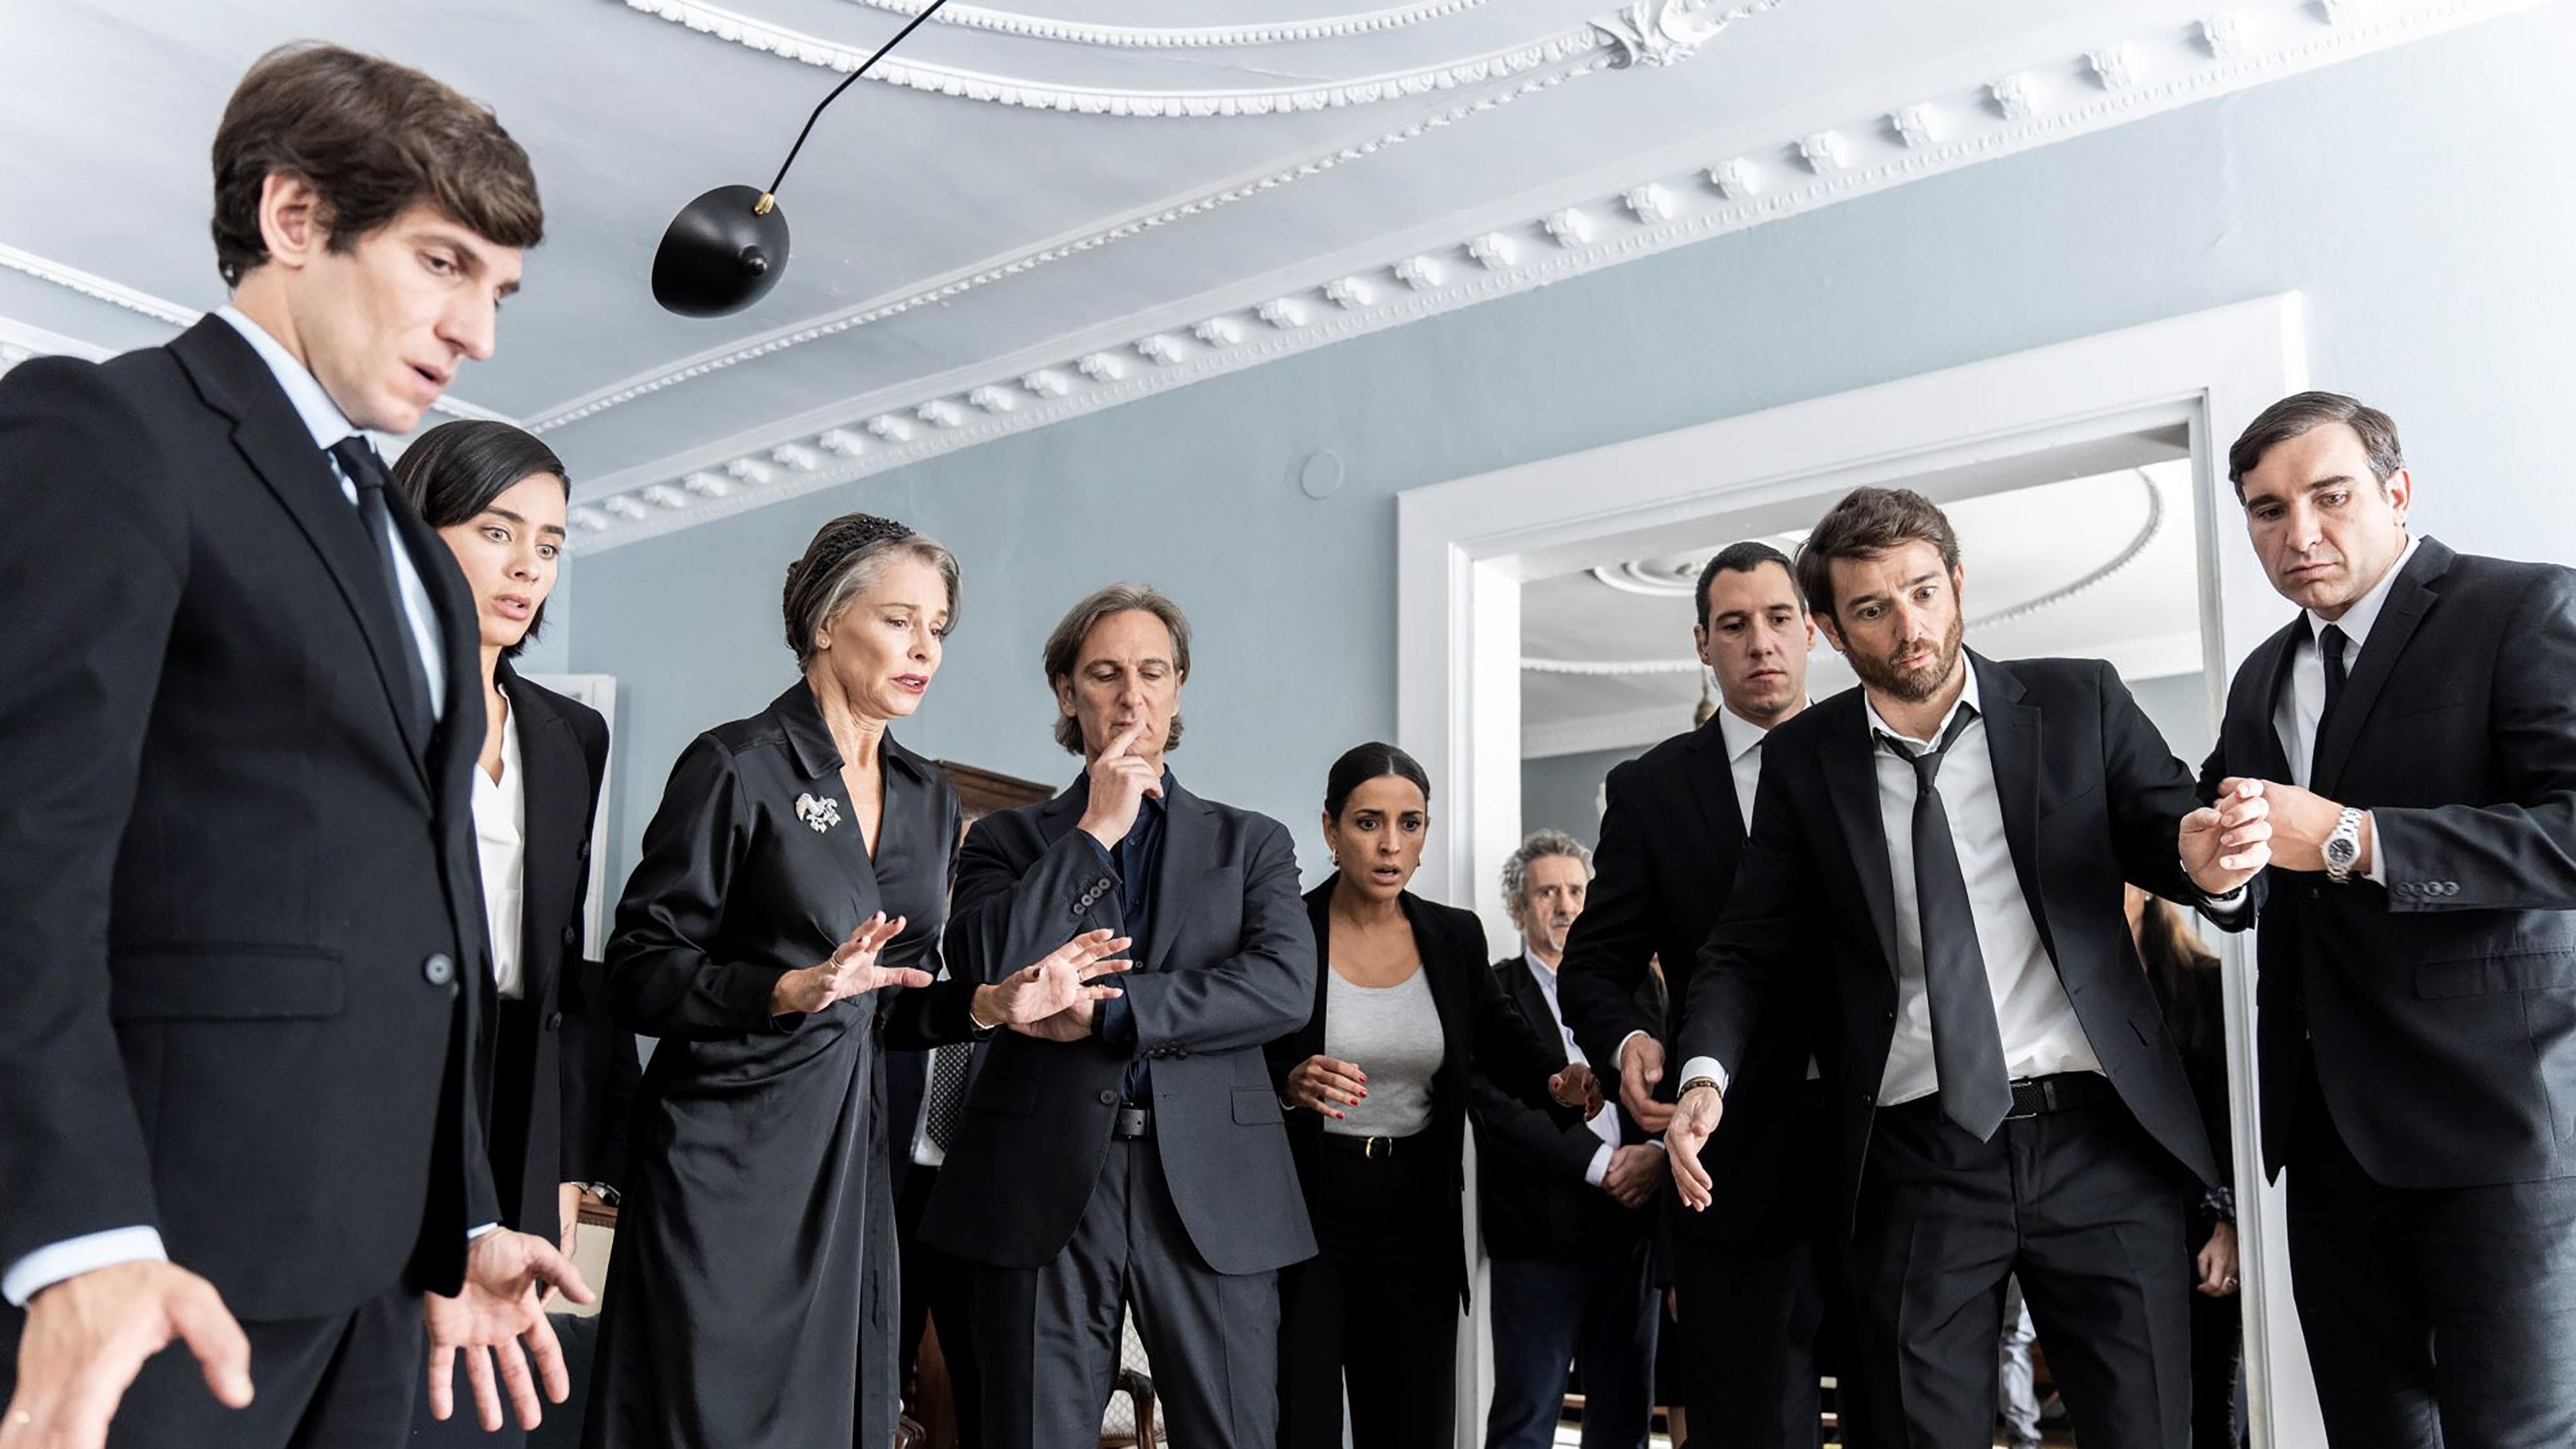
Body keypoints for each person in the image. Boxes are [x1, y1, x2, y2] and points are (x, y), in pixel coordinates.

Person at [0, 43, 593, 1449]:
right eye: (445, 265)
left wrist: (458, 1226)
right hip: (163, 1258)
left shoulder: (405, 540)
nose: (480, 335)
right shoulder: (110, 431)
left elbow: (428, 925)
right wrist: (76, 1232)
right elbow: (22, 855)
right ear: (293, 220)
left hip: (382, 1285)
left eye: (498, 292)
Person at [1666, 486, 2257, 1449]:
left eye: (1925, 592)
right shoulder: (1806, 762)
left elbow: (2174, 837)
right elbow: (1745, 948)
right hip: (1920, 1155)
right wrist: (1703, 1075)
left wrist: (2208, 863)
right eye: (1872, 609)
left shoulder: (2079, 700)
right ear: (1828, 628)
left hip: (2102, 1142)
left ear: (1957, 583)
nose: (1910, 628)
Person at [582, 515, 1132, 1449]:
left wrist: (994, 1005)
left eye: (940, 629)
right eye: (900, 621)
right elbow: (639, 968)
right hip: (726, 1153)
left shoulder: (928, 793)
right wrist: (787, 990)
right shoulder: (736, 765)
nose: (926, 650)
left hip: (851, 1156)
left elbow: (894, 997)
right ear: (827, 624)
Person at [2190, 391, 2576, 1448]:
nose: (2298, 534)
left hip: (2496, 1134)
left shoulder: (2521, 607)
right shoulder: (2259, 679)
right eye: (2267, 511)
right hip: (2324, 1144)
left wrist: (2362, 839)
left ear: (2396, 493)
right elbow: (2259, 878)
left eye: (2329, 496)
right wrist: (2217, 873)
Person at [920, 584, 1317, 1449]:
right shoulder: (1005, 843)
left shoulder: (1253, 843)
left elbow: (1283, 986)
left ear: (1178, 689)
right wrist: (1095, 833)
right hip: (1039, 1186)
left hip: (1214, 1187)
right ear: (1067, 694)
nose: (1130, 695)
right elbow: (984, 965)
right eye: (1104, 674)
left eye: (1151, 672)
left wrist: (1114, 1013)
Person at [389, 419, 639, 1448]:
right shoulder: (374, 697)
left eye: (549, 544)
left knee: (487, 1405)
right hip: (390, 1064)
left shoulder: (570, 734)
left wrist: (572, 1152)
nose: (528, 567)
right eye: (499, 532)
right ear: (419, 529)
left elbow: (567, 968)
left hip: (517, 1094)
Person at [1556, 541, 1836, 1449]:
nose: (1761, 643)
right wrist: (1627, 1041)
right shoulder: (1653, 790)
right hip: (1725, 1166)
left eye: (1779, 618)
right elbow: (1595, 964)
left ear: (1814, 631)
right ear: (1702, 645)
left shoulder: (1874, 756)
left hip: (1887, 1151)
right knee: (1750, 1430)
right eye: (1734, 625)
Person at [1267, 747, 1593, 1449]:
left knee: (1413, 1427)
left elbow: (1503, 1041)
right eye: (1368, 822)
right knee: (1304, 1427)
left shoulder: (1452, 936)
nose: (1391, 844)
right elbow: (1243, 1059)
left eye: (1410, 824)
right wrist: (1288, 1085)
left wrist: (1557, 1082)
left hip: (1417, 1213)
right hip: (1308, 1211)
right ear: (1330, 830)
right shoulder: (1286, 933)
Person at [1473, 830, 1664, 1449]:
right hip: (1537, 1241)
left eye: (1577, 891)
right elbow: (1500, 1109)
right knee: (1526, 1421)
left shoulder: (1640, 988)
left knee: (1624, 1421)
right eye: (1547, 892)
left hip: (1633, 1235)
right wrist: (1603, 1162)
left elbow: (1676, 1079)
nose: (1565, 905)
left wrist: (1655, 1159)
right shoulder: (1494, 991)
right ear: (1520, 909)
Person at [2125, 886, 2243, 1449]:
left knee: (2205, 1400)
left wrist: (2229, 1223)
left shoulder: (2206, 982)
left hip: (2195, 1223)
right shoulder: (2072, 991)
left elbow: (2230, 1119)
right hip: (2108, 1220)